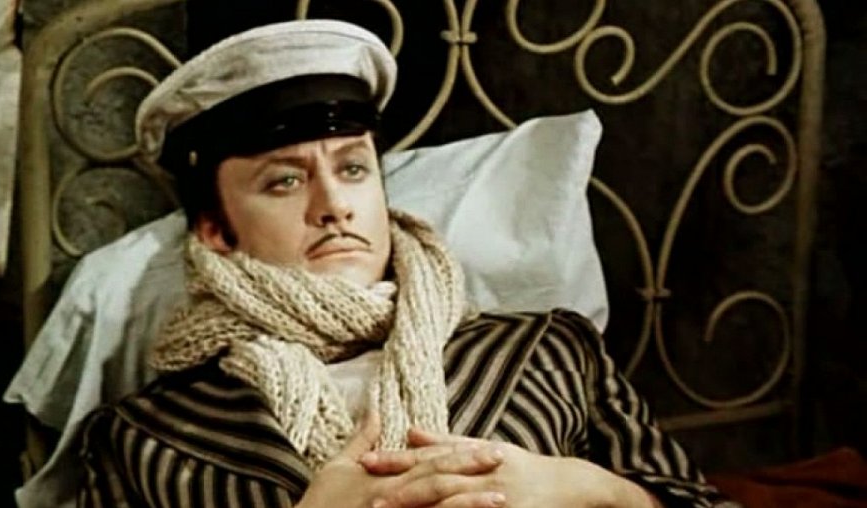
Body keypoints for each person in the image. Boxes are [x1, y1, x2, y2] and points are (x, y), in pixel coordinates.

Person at [77, 9, 737, 508]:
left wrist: (588, 488)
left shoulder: (550, 348)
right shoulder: (142, 437)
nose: (333, 205)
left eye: (353, 168)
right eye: (284, 181)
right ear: (216, 231)